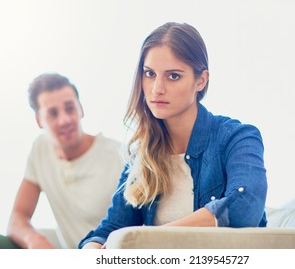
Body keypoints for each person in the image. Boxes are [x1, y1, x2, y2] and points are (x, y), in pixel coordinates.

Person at [79, 22, 268, 249]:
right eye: (149, 74)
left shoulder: (237, 137)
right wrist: (94, 251)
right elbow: (109, 230)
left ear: (201, 80)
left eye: (173, 76)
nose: (157, 88)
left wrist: (149, 239)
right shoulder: (141, 154)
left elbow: (244, 207)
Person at [1, 73, 123, 249]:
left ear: (81, 109)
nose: (64, 120)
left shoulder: (120, 156)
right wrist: (33, 240)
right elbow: (18, 217)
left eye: (70, 108)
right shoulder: (40, 150)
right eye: (52, 113)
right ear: (39, 120)